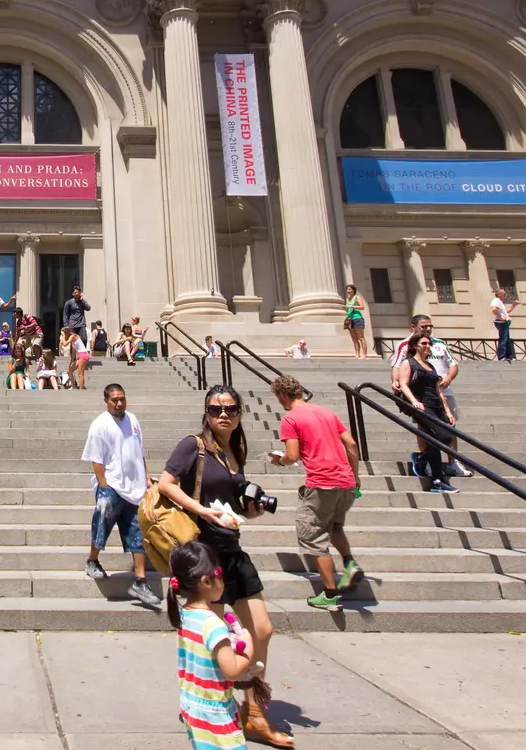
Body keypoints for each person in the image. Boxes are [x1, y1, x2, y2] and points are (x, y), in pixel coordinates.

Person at [156, 385, 293, 748]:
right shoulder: (193, 446)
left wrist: (251, 511)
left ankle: (255, 712)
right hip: (205, 554)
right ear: (206, 412)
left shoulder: (236, 449)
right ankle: (209, 703)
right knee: (208, 639)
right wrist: (201, 510)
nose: (223, 414)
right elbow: (167, 484)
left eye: (230, 408)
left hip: (233, 551)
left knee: (261, 630)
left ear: (239, 413)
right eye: (216, 409)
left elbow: (231, 502)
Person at [268, 375, 363, 610]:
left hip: (321, 483)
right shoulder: (327, 413)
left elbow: (292, 456)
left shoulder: (291, 418)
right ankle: (349, 564)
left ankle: (330, 594)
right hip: (346, 482)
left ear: (282, 395)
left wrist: (279, 461)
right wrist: (355, 475)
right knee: (334, 526)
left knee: (312, 536)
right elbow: (351, 444)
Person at [169, 540, 257, 750]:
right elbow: (232, 670)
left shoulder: (184, 615)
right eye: (221, 575)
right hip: (215, 712)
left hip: (192, 704)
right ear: (207, 581)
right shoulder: (213, 625)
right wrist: (249, 646)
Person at [81, 383, 160, 607]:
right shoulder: (99, 425)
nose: (119, 403)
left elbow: (139, 451)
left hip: (135, 488)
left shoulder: (133, 420)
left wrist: (145, 476)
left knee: (138, 533)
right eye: (115, 400)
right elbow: (96, 460)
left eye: (122, 399)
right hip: (112, 485)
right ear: (106, 401)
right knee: (103, 523)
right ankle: (93, 560)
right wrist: (104, 486)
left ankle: (140, 581)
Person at [390, 315, 467, 477]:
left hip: (442, 392)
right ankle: (427, 460)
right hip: (421, 394)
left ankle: (453, 461)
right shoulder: (406, 345)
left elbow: (453, 364)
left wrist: (448, 378)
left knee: (450, 426)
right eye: (423, 326)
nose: (427, 329)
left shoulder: (439, 344)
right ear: (413, 327)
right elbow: (397, 366)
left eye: (429, 326)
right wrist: (396, 382)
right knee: (424, 427)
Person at [393, 332, 459, 494]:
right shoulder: (408, 363)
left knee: (441, 438)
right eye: (423, 343)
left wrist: (448, 411)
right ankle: (433, 474)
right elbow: (404, 384)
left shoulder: (431, 366)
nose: (427, 346)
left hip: (436, 404)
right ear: (415, 346)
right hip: (422, 405)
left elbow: (438, 390)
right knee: (441, 437)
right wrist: (414, 401)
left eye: (428, 344)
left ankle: (434, 476)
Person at [492, 287, 520, 362]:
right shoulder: (496, 300)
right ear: (499, 294)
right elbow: (494, 309)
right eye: (504, 293)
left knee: (506, 339)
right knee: (504, 339)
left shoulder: (500, 302)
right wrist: (501, 318)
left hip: (504, 322)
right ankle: (502, 356)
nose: (505, 294)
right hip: (501, 323)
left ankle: (509, 356)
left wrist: (513, 305)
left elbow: (506, 311)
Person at [344, 284, 369, 359]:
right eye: (347, 289)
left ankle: (364, 355)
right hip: (350, 319)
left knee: (361, 337)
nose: (348, 291)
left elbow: (362, 307)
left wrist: (351, 306)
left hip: (357, 318)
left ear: (353, 290)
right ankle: (357, 354)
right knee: (354, 338)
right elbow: (347, 309)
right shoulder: (347, 299)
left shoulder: (357, 298)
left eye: (350, 289)